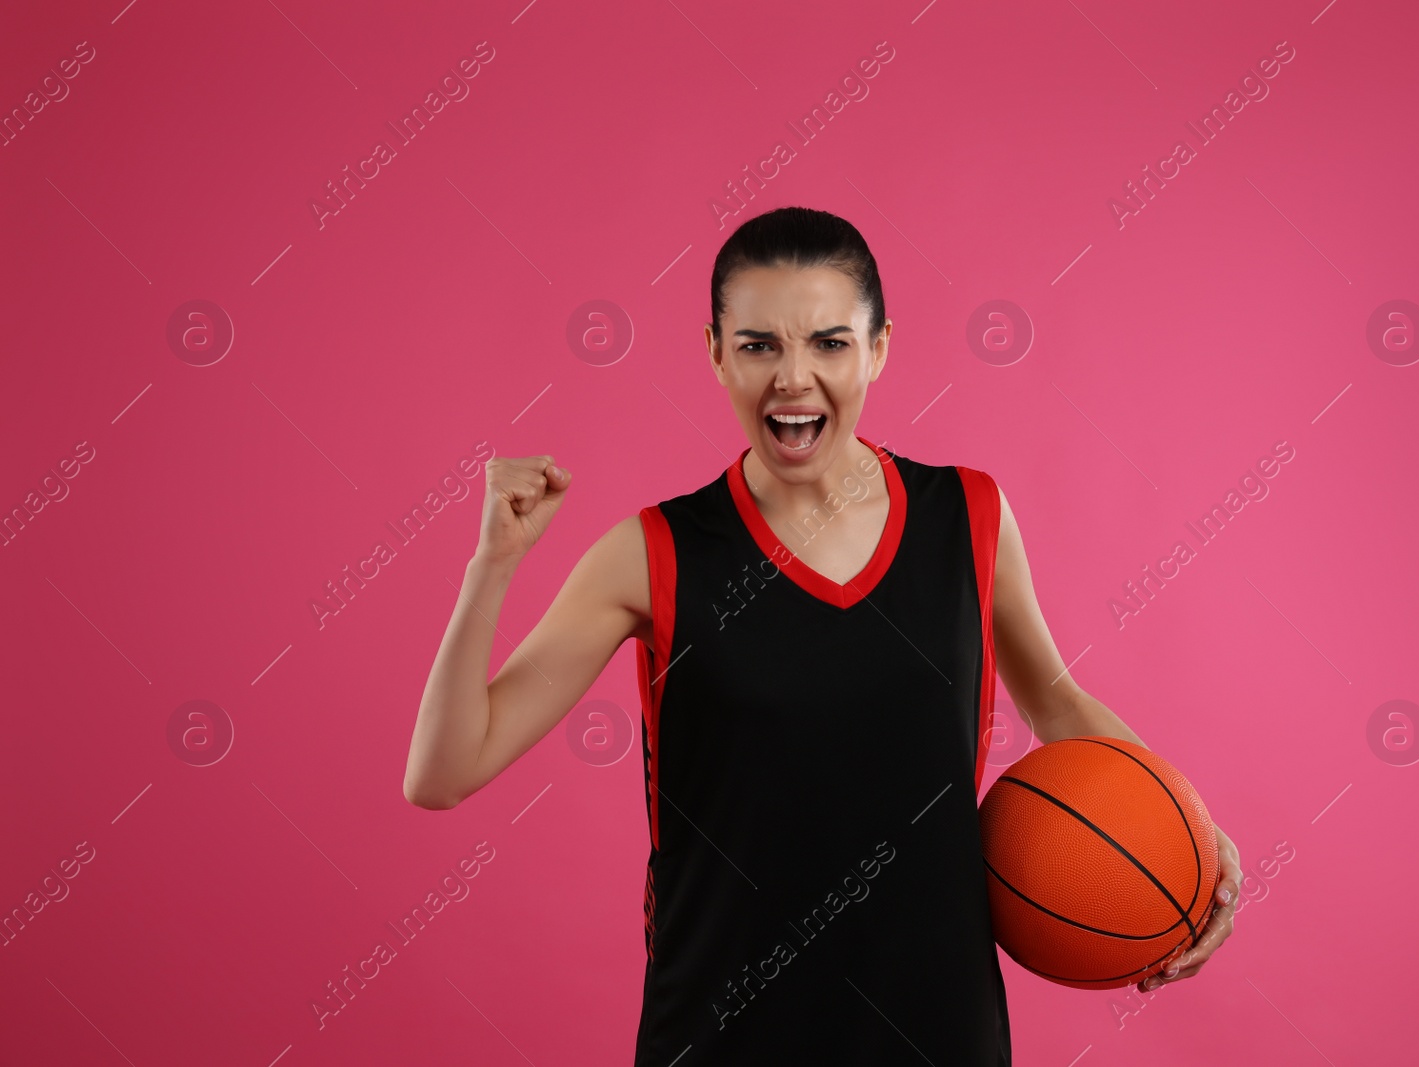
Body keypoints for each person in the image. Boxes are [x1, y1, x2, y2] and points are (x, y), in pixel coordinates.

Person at [404, 206, 1242, 1065]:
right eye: (759, 343)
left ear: (878, 347)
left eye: (830, 343)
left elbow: (1056, 699)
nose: (793, 377)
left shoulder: (968, 516)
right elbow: (441, 771)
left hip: (938, 1032)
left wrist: (1191, 835)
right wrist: (493, 564)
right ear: (715, 351)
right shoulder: (653, 553)